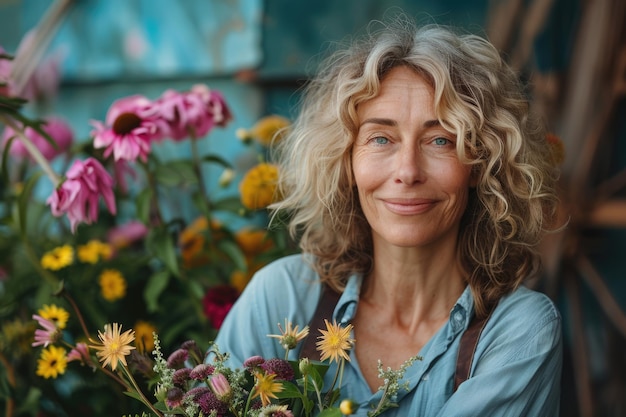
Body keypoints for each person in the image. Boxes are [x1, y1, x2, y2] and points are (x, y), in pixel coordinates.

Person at [215, 14, 563, 416]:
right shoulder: (281, 298)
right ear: (346, 161)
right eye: (381, 138)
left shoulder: (518, 332)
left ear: (481, 163)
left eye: (441, 140)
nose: (407, 171)